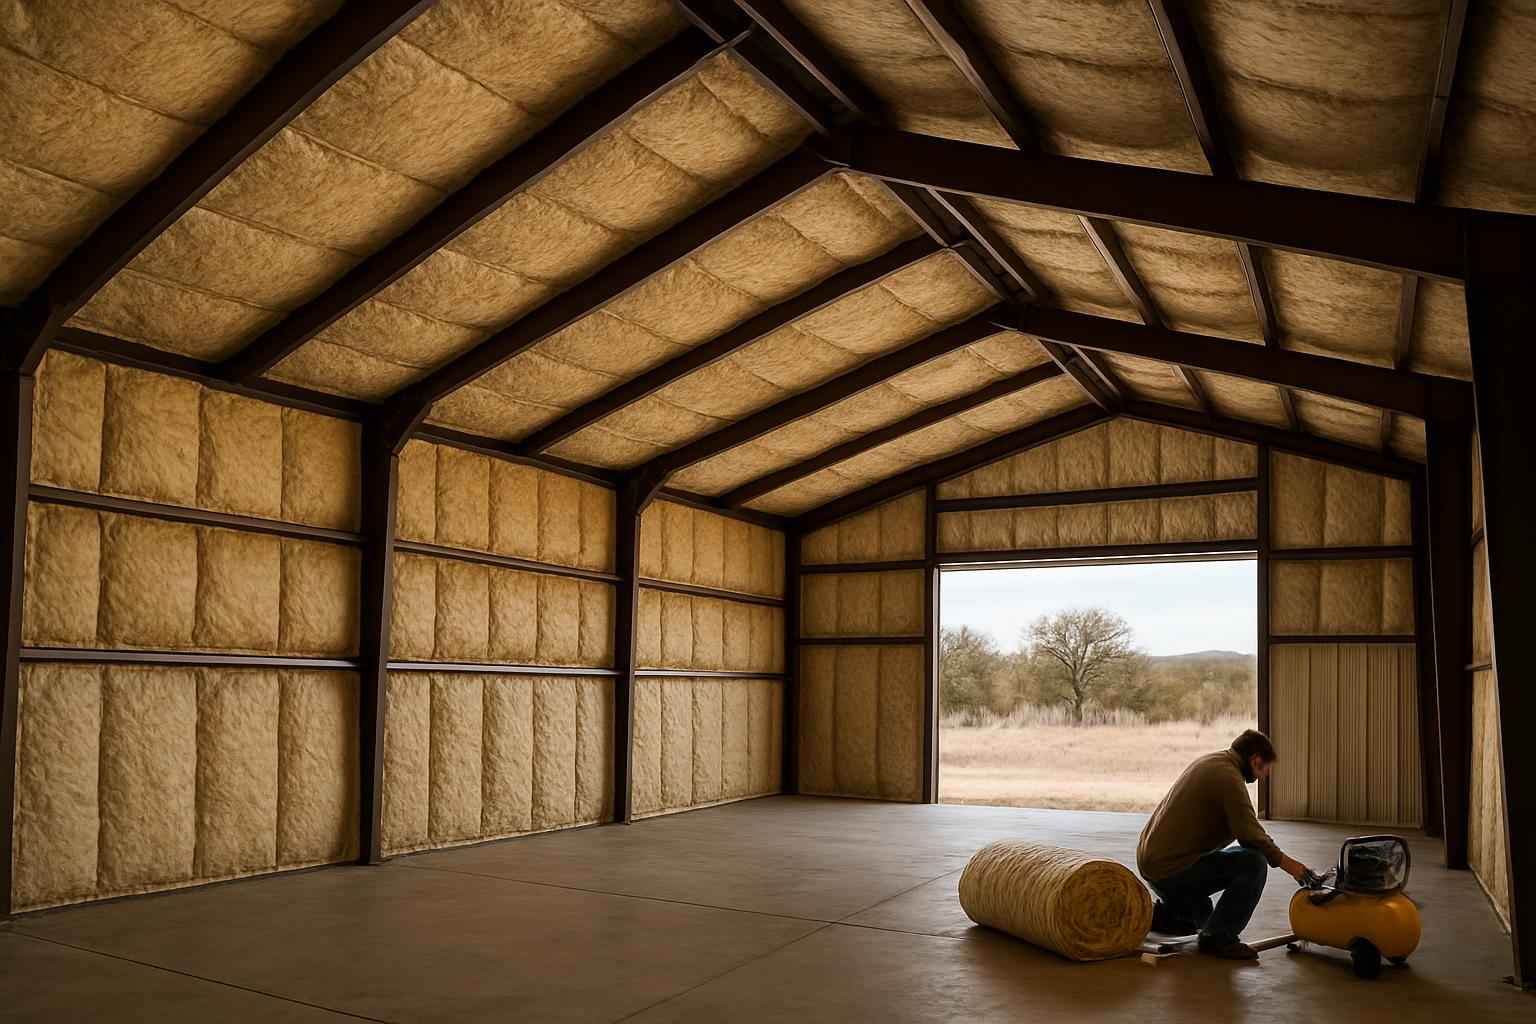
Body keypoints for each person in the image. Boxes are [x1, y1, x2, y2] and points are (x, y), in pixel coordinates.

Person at [1136, 729, 1311, 960]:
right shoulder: (1228, 777)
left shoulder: (1213, 762)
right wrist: (1292, 866)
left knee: (1202, 915)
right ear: (1255, 760)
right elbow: (1251, 835)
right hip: (1171, 870)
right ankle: (1219, 939)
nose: (1265, 775)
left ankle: (1163, 916)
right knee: (1253, 863)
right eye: (1266, 768)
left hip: (1155, 866)